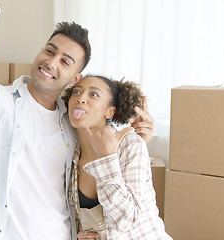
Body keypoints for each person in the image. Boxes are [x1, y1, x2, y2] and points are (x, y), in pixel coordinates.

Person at [0, 16, 154, 240]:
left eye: (65, 61)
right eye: (50, 51)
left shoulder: (72, 122)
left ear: (75, 78)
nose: (51, 63)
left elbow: (101, 142)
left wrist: (139, 135)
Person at [62, 75, 171, 239]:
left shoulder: (130, 144)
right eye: (76, 92)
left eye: (94, 94)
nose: (80, 99)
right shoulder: (73, 155)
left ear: (110, 111)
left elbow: (127, 220)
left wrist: (107, 159)